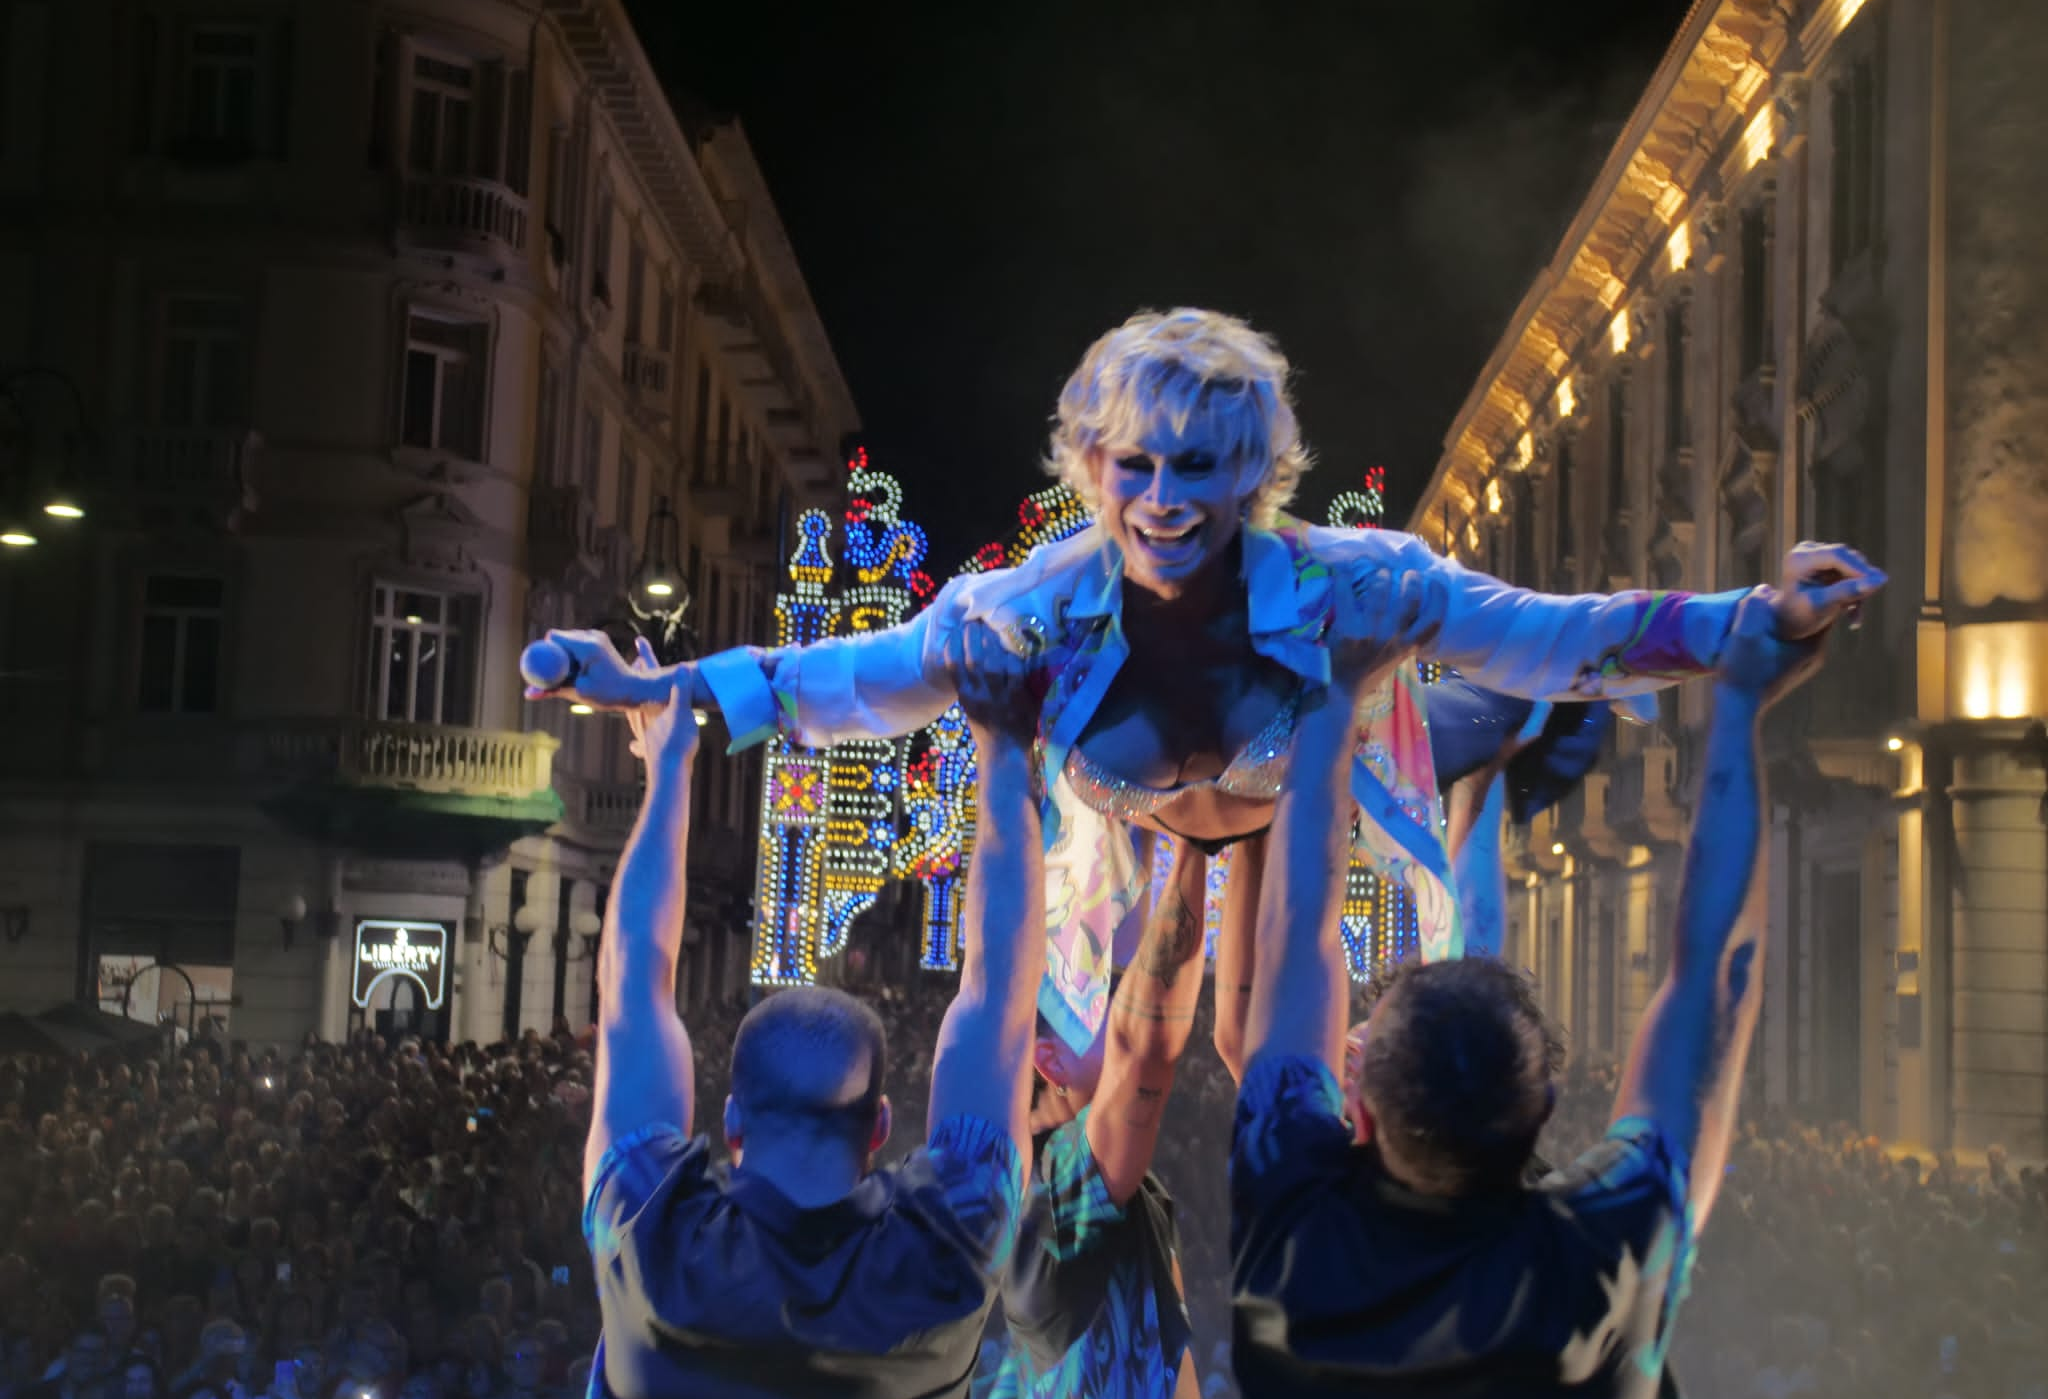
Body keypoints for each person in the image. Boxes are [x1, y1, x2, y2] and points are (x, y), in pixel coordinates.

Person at [527, 307, 1879, 1073]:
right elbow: (838, 684)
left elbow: (1541, 630)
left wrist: (1750, 620)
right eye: (1137, 467)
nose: (1167, 502)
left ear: (1254, 473)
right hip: (1132, 849)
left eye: (1201, 468)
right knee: (1078, 1078)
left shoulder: (1354, 585)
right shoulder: (1026, 614)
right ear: (1090, 468)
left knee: (1300, 1062)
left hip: (1327, 791)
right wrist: (657, 686)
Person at [1228, 569, 1840, 1399]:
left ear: (1357, 1114)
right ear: (1543, 1109)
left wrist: (1338, 691)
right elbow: (1715, 984)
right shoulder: (1599, 1262)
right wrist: (1739, 708)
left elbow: (1295, 940)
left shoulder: (1295, 1237)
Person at [579, 629, 1050, 1399]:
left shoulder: (652, 1241)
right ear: (882, 1125)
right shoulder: (946, 1257)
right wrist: (1003, 746)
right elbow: (1000, 993)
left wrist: (668, 771)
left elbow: (632, 985)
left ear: (730, 1118)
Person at [981, 841, 1212, 1399]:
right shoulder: (1059, 1179)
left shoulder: (1048, 1173)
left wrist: (1142, 810)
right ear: (1050, 1061)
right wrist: (1196, 841)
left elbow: (1130, 958)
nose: (1122, 1012)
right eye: (1101, 1009)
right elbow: (1145, 1047)